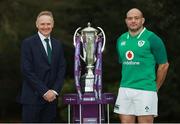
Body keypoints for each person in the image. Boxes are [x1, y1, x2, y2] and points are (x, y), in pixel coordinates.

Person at [114, 8, 169, 123]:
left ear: (142, 20)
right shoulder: (121, 39)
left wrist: (155, 88)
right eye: (130, 18)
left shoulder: (152, 39)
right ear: (126, 21)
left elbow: (164, 65)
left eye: (136, 18)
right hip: (125, 88)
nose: (133, 21)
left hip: (145, 90)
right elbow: (124, 63)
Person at [20, 10, 66, 122]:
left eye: (48, 24)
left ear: (53, 25)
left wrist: (54, 91)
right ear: (37, 25)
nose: (45, 27)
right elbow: (26, 70)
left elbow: (62, 69)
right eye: (42, 24)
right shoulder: (28, 43)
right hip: (32, 98)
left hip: (51, 100)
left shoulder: (57, 44)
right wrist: (45, 92)